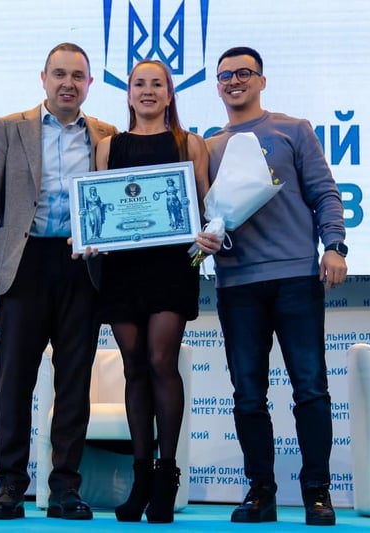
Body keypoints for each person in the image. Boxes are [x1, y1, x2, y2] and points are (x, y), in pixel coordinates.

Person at [0, 42, 118, 521]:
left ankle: (65, 488)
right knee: (15, 381)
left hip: (82, 267)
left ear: (89, 84)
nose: (68, 83)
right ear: (44, 78)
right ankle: (10, 486)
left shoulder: (106, 134)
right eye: (60, 74)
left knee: (74, 383)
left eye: (77, 76)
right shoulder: (11, 127)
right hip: (24, 264)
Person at [205, 46, 347, 526]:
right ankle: (260, 493)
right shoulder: (208, 146)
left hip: (296, 278)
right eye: (225, 75)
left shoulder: (294, 129)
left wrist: (334, 246)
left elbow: (325, 192)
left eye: (244, 72)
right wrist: (203, 238)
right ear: (217, 86)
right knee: (248, 394)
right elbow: (204, 214)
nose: (234, 81)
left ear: (262, 80)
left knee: (311, 389)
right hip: (237, 283)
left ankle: (317, 493)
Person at [94, 59, 220, 524]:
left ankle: (167, 476)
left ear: (170, 94)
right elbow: (99, 204)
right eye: (139, 84)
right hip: (122, 268)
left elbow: (207, 208)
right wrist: (92, 237)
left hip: (172, 268)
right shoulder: (108, 147)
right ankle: (141, 477)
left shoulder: (190, 143)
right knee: (133, 367)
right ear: (128, 93)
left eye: (157, 84)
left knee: (161, 361)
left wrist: (208, 239)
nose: (148, 91)